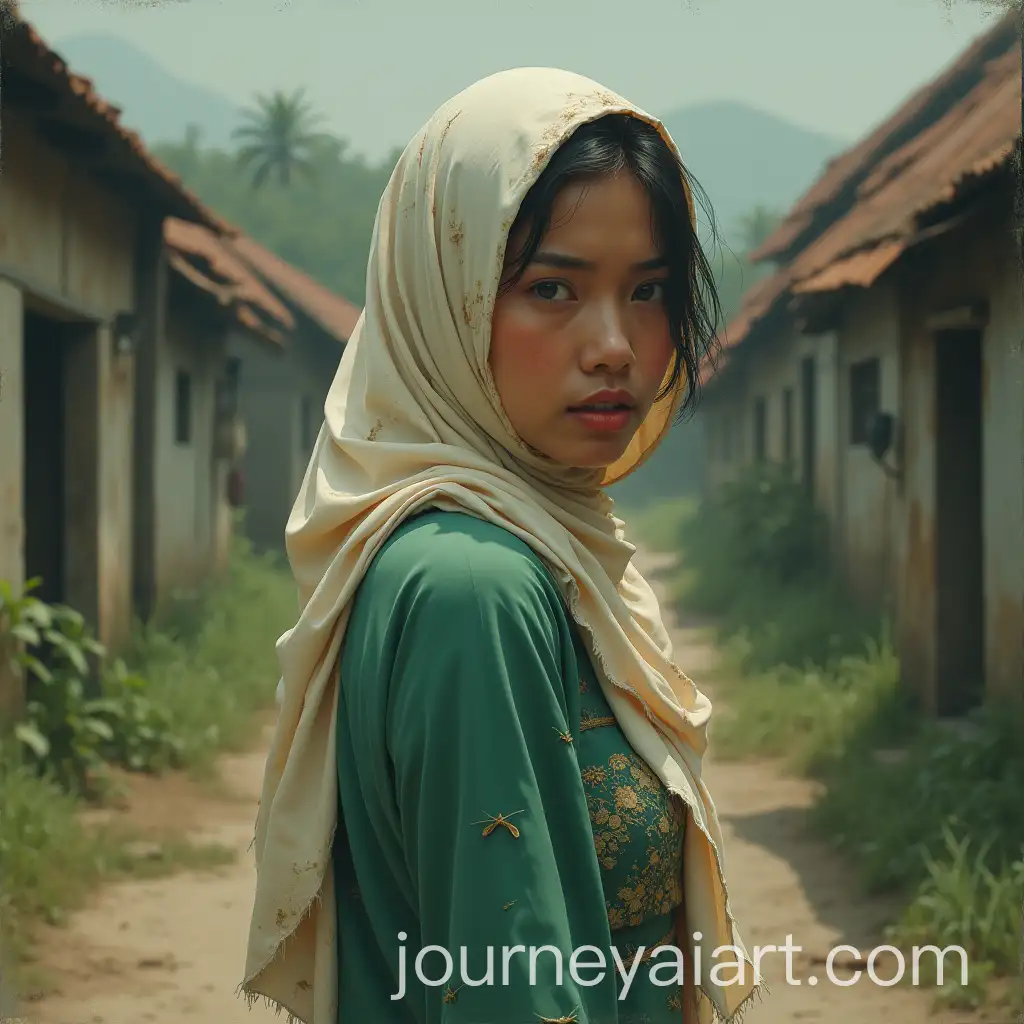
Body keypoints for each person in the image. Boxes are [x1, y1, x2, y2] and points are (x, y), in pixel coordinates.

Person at [241, 68, 763, 1024]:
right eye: (552, 288)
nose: (615, 345)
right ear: (445, 295)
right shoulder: (471, 587)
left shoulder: (540, 551)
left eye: (649, 291)